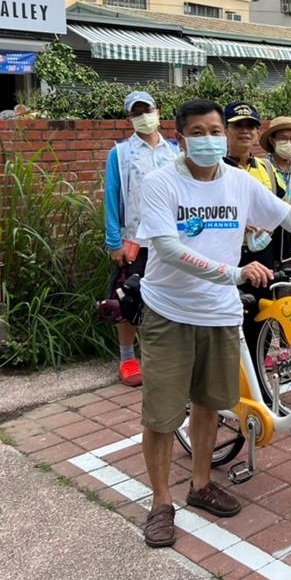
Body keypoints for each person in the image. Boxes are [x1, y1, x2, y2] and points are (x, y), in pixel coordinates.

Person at [135, 99, 291, 549]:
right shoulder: (160, 182)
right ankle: (161, 502)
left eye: (214, 130)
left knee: (209, 404)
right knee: (163, 415)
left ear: (224, 134)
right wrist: (233, 273)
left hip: (219, 313)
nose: (207, 138)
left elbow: (290, 217)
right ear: (181, 136)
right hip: (169, 310)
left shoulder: (240, 184)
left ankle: (201, 484)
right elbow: (165, 248)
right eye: (198, 132)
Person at [102, 90, 180, 387]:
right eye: (136, 113)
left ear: (158, 111)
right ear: (129, 118)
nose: (144, 117)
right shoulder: (120, 153)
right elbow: (111, 196)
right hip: (135, 240)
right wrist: (114, 241)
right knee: (128, 298)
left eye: (147, 109)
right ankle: (126, 357)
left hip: (169, 239)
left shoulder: (174, 151)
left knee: (168, 296)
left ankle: (162, 354)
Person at [258, 116, 291, 268]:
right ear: (272, 140)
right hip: (267, 239)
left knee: (288, 287)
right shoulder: (261, 168)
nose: (288, 143)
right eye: (282, 138)